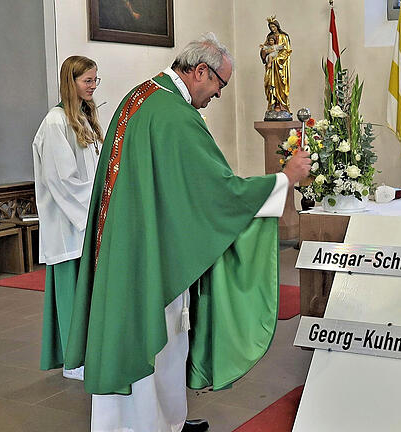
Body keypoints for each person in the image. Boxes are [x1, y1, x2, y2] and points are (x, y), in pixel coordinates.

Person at [63, 33, 311, 432]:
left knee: (145, 339)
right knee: (157, 342)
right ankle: (151, 426)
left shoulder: (140, 97)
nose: (217, 95)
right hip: (151, 254)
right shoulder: (174, 114)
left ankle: (163, 420)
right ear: (200, 71)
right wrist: (283, 179)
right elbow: (215, 192)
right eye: (219, 85)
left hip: (131, 244)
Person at [32, 55, 104, 381]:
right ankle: (73, 362)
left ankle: (86, 352)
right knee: (71, 292)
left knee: (85, 291)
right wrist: (94, 207)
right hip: (69, 223)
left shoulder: (83, 119)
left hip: (84, 219)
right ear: (70, 82)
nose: (92, 86)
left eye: (94, 80)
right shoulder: (55, 122)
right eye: (87, 80)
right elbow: (61, 179)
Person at [260, 16, 292, 114]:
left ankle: (282, 105)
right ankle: (272, 104)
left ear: (277, 26)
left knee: (281, 85)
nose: (272, 29)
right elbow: (265, 49)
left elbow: (287, 50)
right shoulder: (269, 37)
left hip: (280, 66)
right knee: (270, 84)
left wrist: (277, 59)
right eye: (271, 27)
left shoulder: (284, 37)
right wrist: (265, 51)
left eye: (274, 27)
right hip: (271, 68)